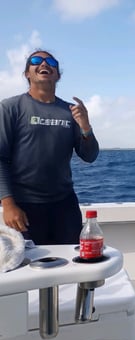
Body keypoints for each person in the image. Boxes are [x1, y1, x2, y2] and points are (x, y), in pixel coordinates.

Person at [0, 50, 99, 245]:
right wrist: (8, 204)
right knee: (29, 271)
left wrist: (86, 127)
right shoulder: (10, 108)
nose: (44, 64)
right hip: (24, 206)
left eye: (51, 62)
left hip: (65, 206)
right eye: (36, 60)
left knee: (70, 270)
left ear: (58, 74)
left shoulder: (71, 112)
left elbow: (90, 156)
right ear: (27, 73)